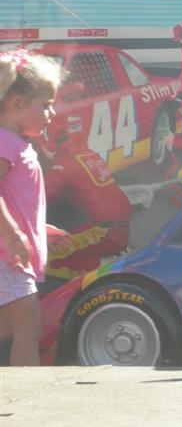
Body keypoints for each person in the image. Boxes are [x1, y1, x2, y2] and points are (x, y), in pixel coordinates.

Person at [0, 49, 68, 366]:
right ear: (17, 103)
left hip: (10, 253)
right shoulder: (5, 142)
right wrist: (13, 234)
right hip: (7, 256)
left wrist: (38, 229)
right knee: (28, 326)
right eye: (45, 105)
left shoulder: (16, 144)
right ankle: (26, 394)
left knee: (9, 326)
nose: (51, 113)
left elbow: (17, 200)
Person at [40, 130, 132, 280]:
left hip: (104, 231)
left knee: (45, 260)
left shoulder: (63, 162)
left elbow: (43, 195)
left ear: (50, 144)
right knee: (62, 241)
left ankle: (112, 266)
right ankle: (115, 254)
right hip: (113, 226)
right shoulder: (87, 152)